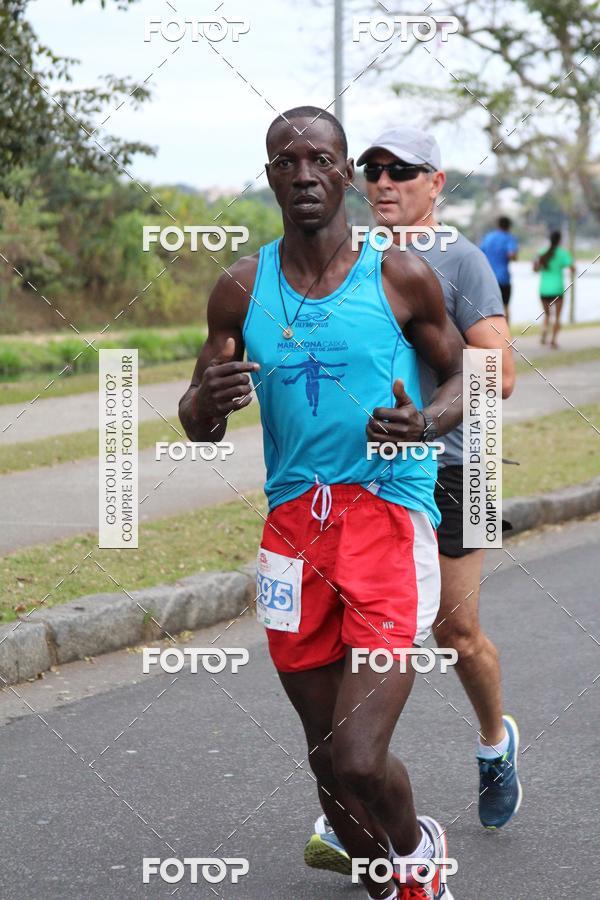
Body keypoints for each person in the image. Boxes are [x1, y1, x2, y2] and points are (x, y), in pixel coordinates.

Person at [179, 107, 464, 900]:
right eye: (287, 161)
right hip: (292, 534)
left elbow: (462, 377)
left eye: (322, 161)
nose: (305, 175)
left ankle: (420, 861)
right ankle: (383, 876)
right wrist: (208, 398)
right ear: (269, 175)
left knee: (358, 757)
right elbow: (197, 424)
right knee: (324, 761)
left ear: (345, 173)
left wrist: (426, 422)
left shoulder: (398, 273)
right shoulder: (241, 287)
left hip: (386, 519)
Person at [304, 126, 521, 878]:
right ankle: (350, 805)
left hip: (458, 468)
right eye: (372, 169)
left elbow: (502, 372)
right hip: (366, 478)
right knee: (363, 640)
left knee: (455, 634)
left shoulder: (458, 257)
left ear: (438, 182)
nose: (384, 181)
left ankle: (495, 742)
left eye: (402, 170)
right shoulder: (346, 258)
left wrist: (432, 406)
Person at [534, 230, 575, 349]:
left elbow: (535, 269)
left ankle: (544, 331)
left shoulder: (541, 252)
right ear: (560, 240)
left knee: (547, 315)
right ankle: (553, 341)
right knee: (557, 317)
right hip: (557, 289)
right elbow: (572, 268)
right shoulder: (563, 253)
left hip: (544, 289)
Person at [480, 216, 519, 322]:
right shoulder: (509, 238)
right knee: (505, 307)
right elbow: (511, 254)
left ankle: (492, 334)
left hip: (489, 278)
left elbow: (479, 254)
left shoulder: (488, 238)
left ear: (498, 225)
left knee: (489, 310)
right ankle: (506, 336)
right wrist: (515, 256)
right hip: (503, 279)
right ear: (509, 227)